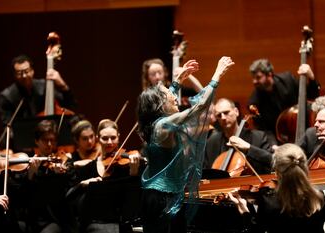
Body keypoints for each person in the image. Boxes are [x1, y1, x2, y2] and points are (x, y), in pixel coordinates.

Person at [137, 56, 234, 233]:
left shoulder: (159, 122)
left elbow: (169, 96)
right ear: (160, 105)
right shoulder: (163, 125)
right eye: (169, 95)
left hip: (164, 195)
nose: (175, 98)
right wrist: (218, 73)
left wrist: (178, 80)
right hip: (162, 199)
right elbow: (199, 107)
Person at [228, 143, 325, 233]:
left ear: (277, 171)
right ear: (304, 168)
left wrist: (245, 212)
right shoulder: (317, 197)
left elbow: (256, 230)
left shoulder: (269, 202)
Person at [67, 119, 143, 233]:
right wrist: (82, 185)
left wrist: (133, 172)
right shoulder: (89, 168)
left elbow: (133, 198)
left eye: (113, 138)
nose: (109, 142)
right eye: (105, 138)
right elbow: (69, 197)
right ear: (98, 138)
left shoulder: (125, 166)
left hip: (119, 221)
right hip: (94, 223)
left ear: (119, 137)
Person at [247, 58, 320, 145]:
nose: (254, 81)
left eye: (258, 77)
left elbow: (313, 95)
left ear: (269, 74)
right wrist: (273, 146)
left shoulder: (288, 80)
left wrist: (311, 78)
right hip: (280, 140)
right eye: (253, 78)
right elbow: (264, 129)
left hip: (305, 127)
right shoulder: (254, 103)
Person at [26, 119, 75, 233]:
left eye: (52, 140)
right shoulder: (30, 163)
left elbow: (71, 188)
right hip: (38, 217)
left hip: (60, 216)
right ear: (36, 141)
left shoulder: (65, 161)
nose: (49, 144)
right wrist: (31, 173)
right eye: (45, 140)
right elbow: (25, 194)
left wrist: (60, 175)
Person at [203, 98, 273, 176]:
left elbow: (272, 161)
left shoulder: (258, 137)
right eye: (219, 115)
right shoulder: (212, 142)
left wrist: (249, 148)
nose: (223, 117)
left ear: (236, 111)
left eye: (226, 112)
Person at [0, 54, 76, 125]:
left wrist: (63, 85)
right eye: (19, 73)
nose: (24, 76)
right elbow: (8, 125)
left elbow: (69, 105)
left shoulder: (44, 87)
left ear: (32, 71)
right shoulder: (7, 96)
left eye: (26, 71)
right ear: (14, 75)